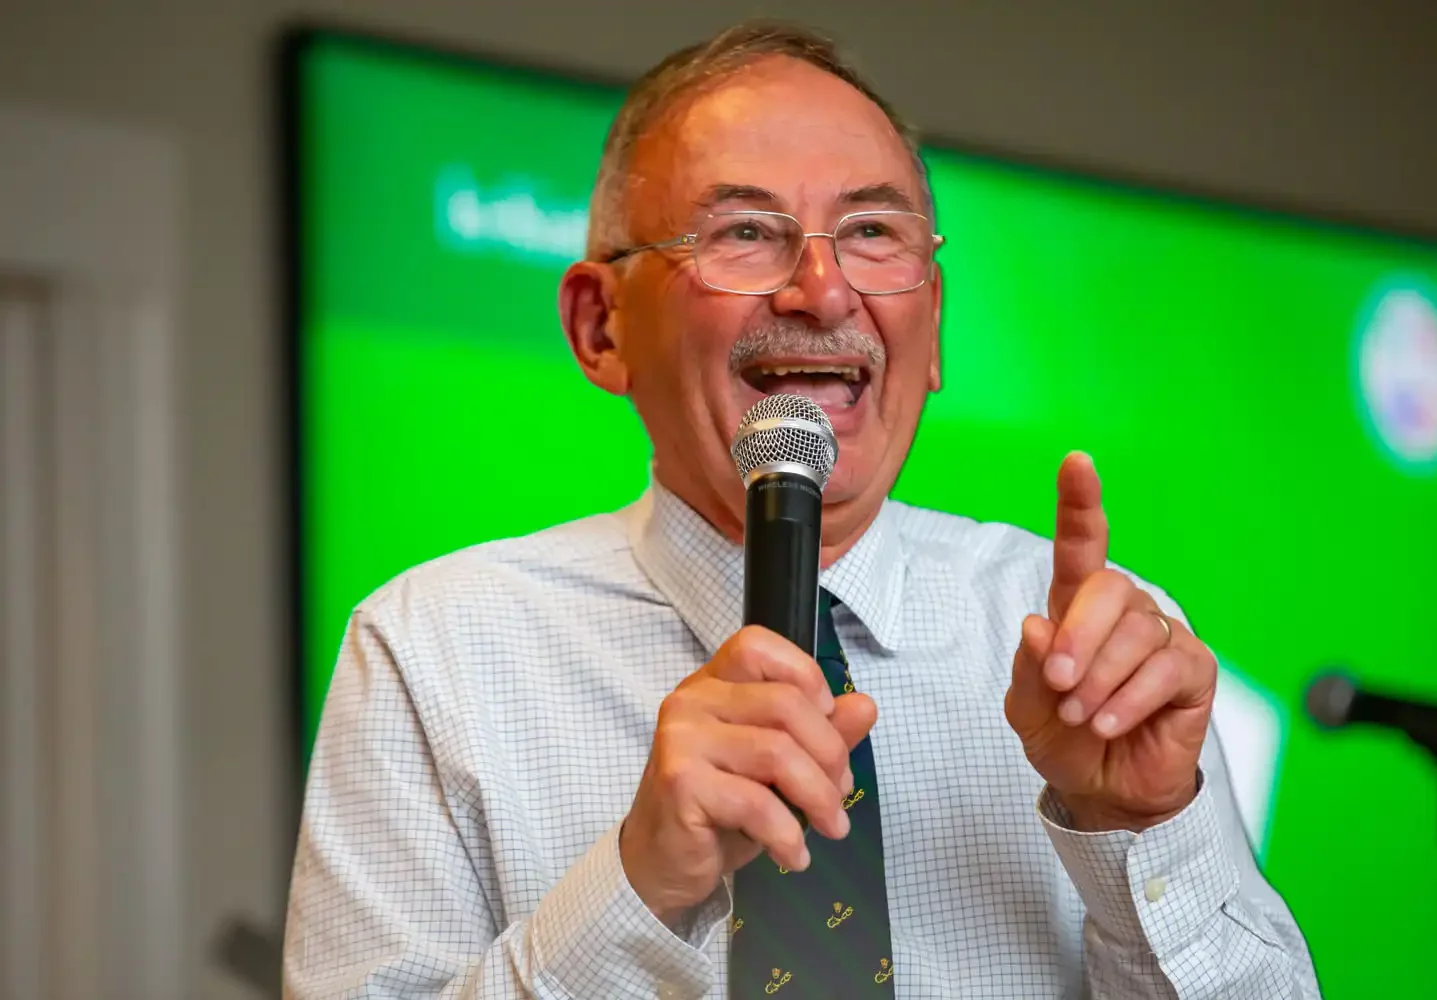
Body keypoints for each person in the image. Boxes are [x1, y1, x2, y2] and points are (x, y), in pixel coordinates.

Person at [284, 21, 1320, 999]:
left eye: (872, 232)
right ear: (600, 327)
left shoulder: (1086, 651)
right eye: (744, 231)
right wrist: (636, 887)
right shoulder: (435, 651)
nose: (823, 290)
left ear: (935, 328)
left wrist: (1140, 825)